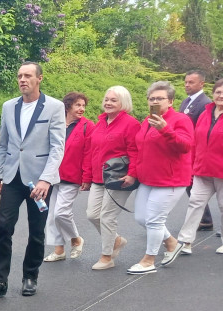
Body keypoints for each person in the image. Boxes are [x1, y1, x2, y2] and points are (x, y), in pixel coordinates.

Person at [0, 62, 65, 298]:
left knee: (37, 231)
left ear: (40, 79)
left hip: (39, 181)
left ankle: (30, 276)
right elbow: (3, 145)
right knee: (4, 228)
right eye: (19, 75)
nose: (22, 80)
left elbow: (58, 147)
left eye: (27, 75)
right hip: (12, 177)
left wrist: (46, 180)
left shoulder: (54, 107)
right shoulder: (9, 106)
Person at [124, 81, 193, 274]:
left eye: (160, 98)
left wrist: (165, 129)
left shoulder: (180, 120)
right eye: (152, 98)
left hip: (170, 179)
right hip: (147, 178)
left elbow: (186, 146)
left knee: (154, 220)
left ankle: (149, 260)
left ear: (170, 101)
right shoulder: (147, 120)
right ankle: (171, 243)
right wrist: (133, 173)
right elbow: (140, 149)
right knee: (141, 218)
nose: (155, 101)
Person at [85, 86, 140, 270]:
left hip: (119, 177)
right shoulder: (100, 122)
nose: (108, 103)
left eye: (113, 100)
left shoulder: (131, 124)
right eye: (106, 99)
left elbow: (135, 151)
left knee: (107, 217)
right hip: (98, 178)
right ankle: (116, 240)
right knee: (92, 215)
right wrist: (87, 176)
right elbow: (92, 151)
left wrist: (132, 174)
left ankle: (106, 257)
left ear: (123, 103)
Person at [43, 91, 92, 262]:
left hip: (72, 176)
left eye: (83, 106)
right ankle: (58, 250)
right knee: (50, 215)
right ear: (68, 106)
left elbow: (88, 153)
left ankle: (76, 239)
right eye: (78, 105)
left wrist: (87, 177)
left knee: (61, 213)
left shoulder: (87, 126)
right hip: (52, 174)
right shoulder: (56, 122)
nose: (81, 109)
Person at [177, 78, 223, 255]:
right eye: (218, 91)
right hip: (202, 169)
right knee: (195, 203)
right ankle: (185, 241)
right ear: (213, 93)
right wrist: (191, 165)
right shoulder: (206, 113)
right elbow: (196, 141)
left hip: (221, 170)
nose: (221, 95)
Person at [179, 70, 213, 232]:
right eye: (186, 82)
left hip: (194, 149)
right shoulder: (186, 101)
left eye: (191, 82)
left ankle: (205, 219)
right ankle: (204, 219)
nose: (187, 85)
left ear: (201, 84)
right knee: (190, 185)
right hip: (185, 147)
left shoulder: (205, 103)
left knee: (193, 185)